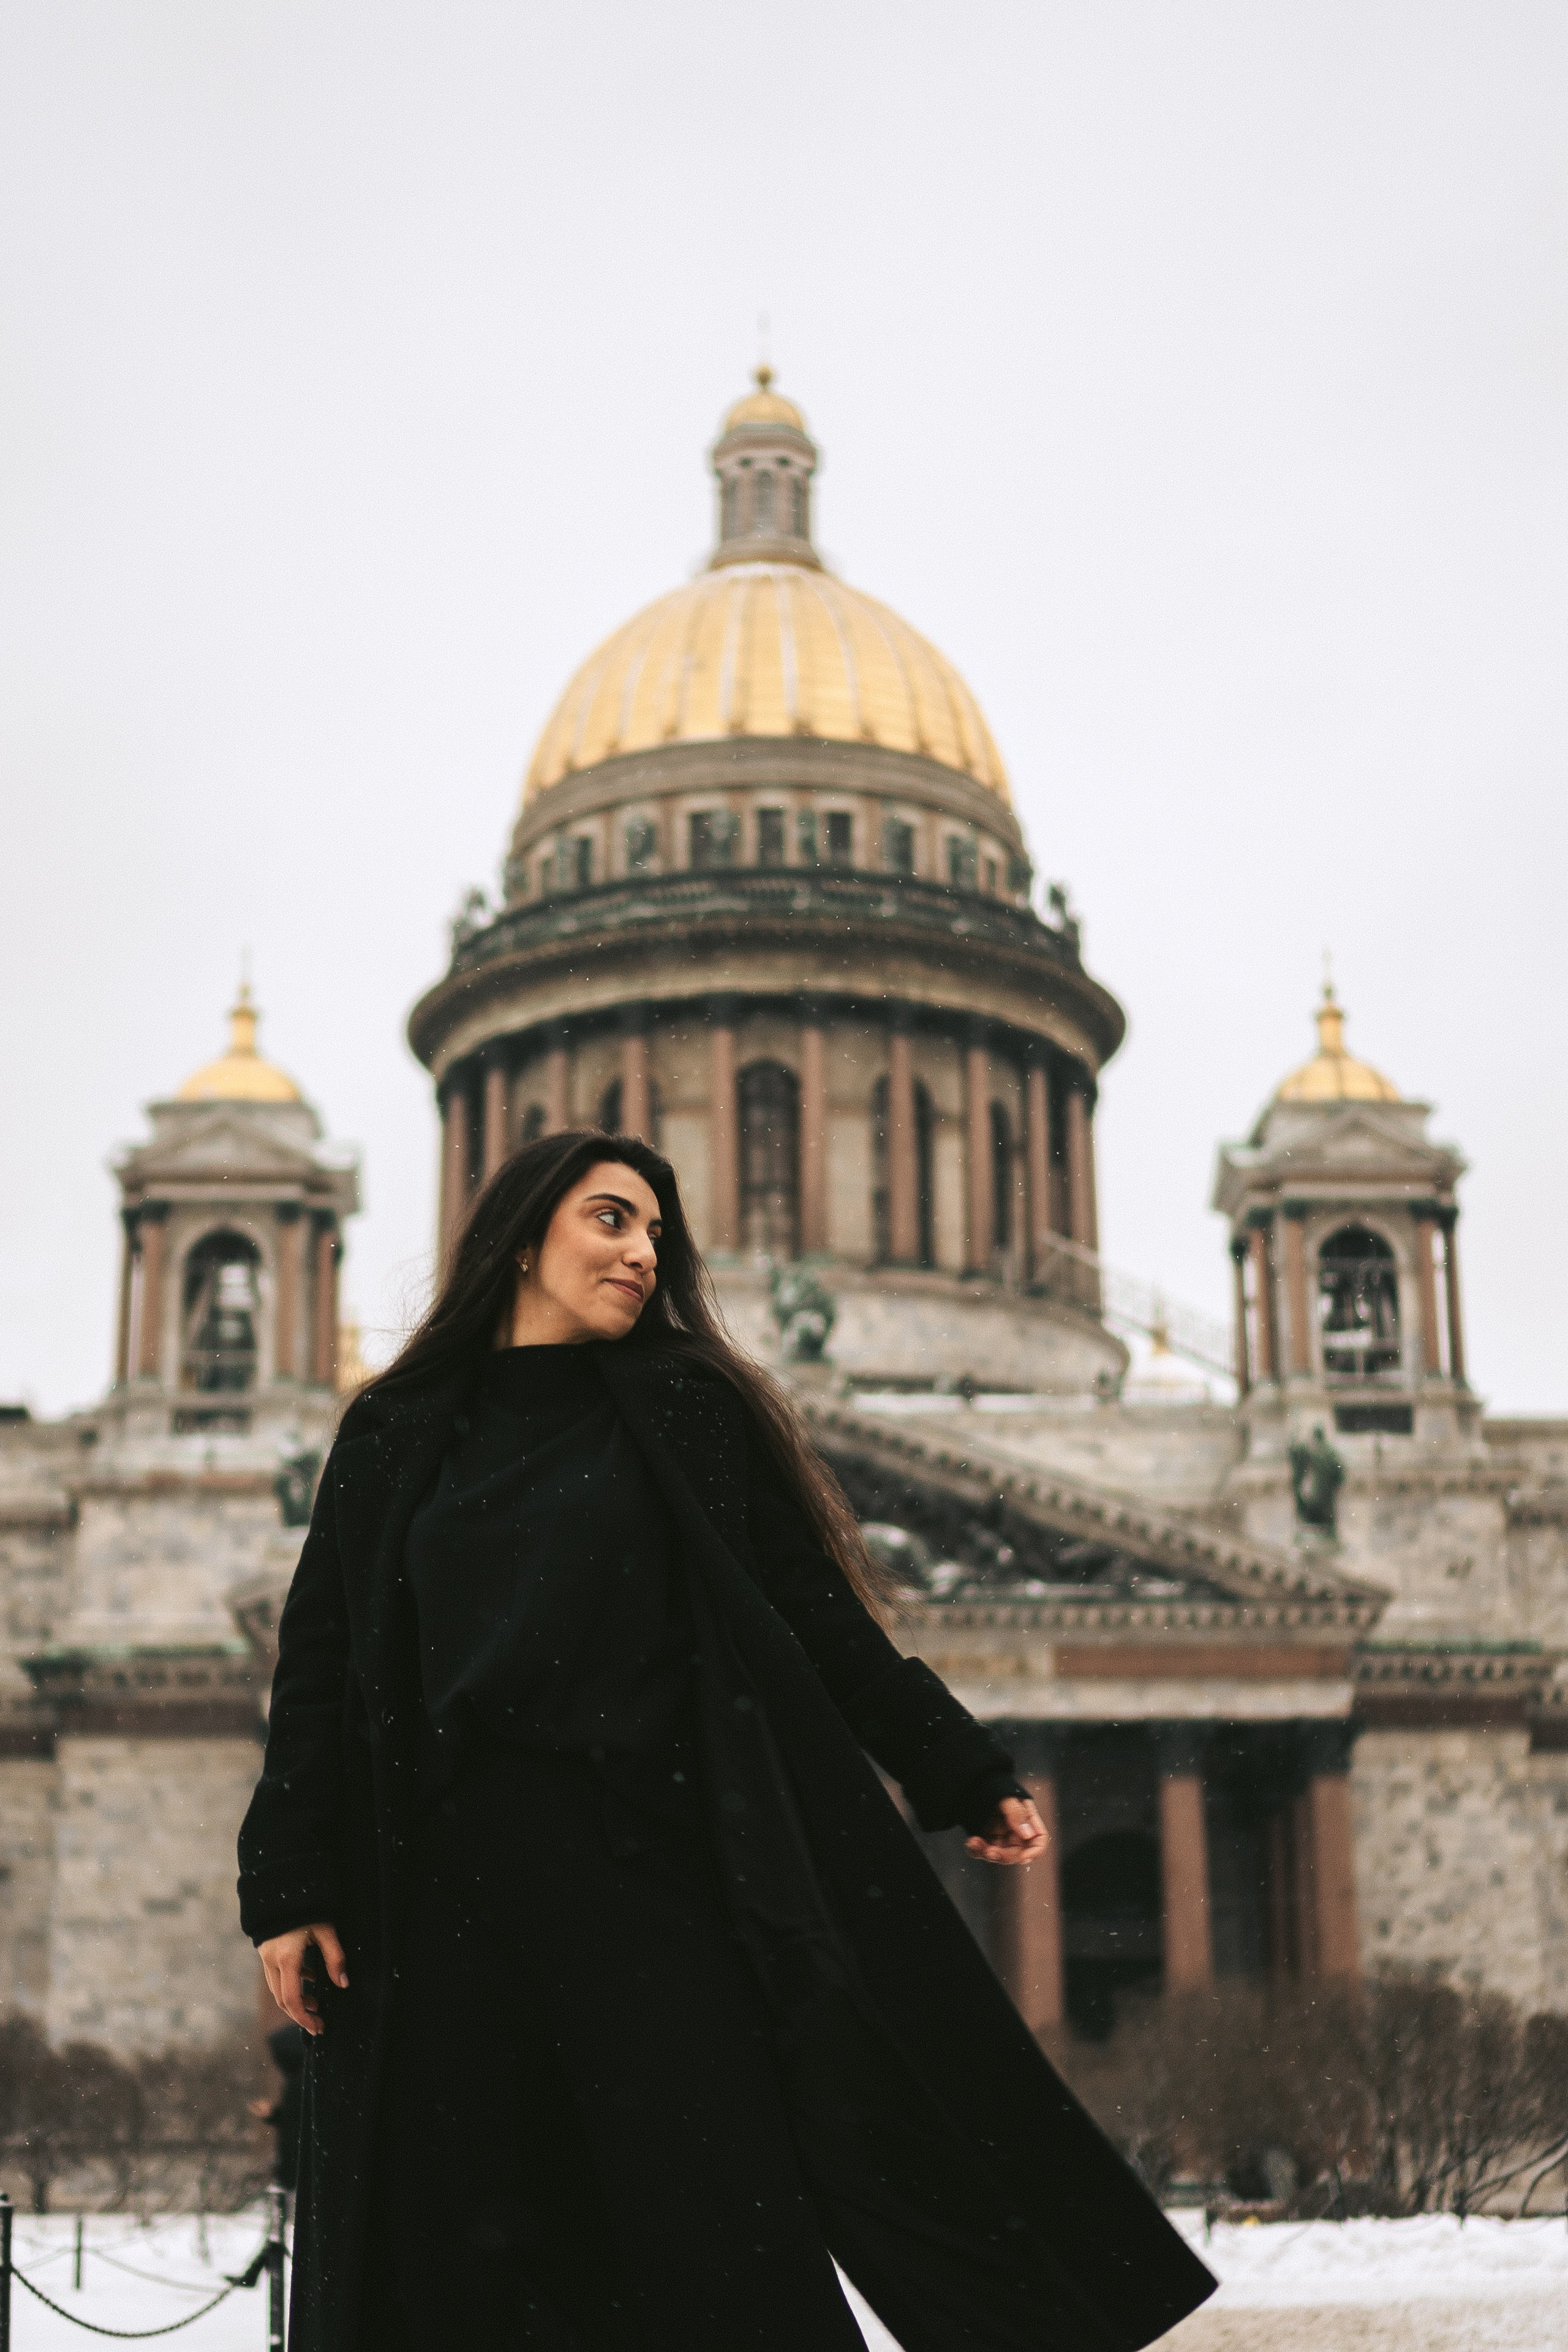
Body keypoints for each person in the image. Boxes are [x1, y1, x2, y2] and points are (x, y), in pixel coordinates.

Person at [238, 1133, 1215, 2352]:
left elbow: (806, 1613)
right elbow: (320, 1663)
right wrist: (288, 1881)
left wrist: (949, 1759)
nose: (643, 1254)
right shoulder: (392, 1429)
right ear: (523, 1234)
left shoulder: (685, 1409)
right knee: (460, 2258)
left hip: (649, 1891)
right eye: (610, 1221)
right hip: (441, 1906)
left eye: (657, 1234)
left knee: (713, 2241)